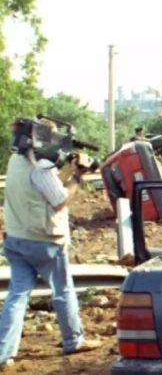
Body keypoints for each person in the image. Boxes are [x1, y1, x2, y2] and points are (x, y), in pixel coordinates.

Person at [0, 120, 102, 367]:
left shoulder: (16, 162)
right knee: (63, 290)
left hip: (16, 238)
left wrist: (65, 169)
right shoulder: (42, 168)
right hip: (44, 241)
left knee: (17, 295)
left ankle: (3, 353)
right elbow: (59, 199)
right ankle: (74, 340)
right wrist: (77, 175)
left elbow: (43, 188)